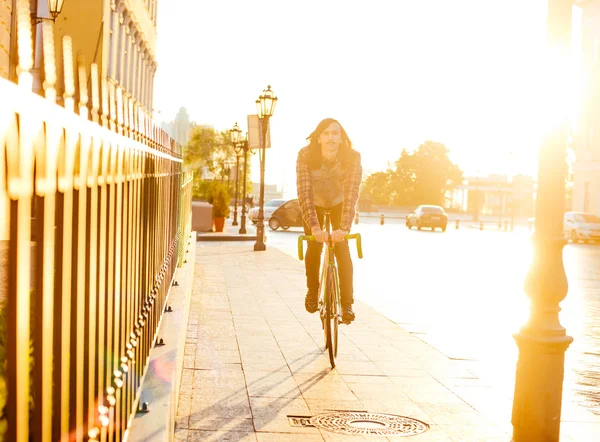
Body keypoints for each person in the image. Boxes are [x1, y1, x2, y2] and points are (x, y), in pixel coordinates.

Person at [296, 118, 362, 323]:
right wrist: (315, 228)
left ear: (342, 138)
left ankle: (347, 303)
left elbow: (351, 194)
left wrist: (343, 228)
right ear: (318, 138)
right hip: (313, 202)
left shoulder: (352, 158)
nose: (331, 138)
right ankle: (313, 292)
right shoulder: (305, 156)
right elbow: (304, 193)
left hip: (339, 202)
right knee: (314, 246)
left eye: (335, 133)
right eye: (326, 134)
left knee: (342, 248)